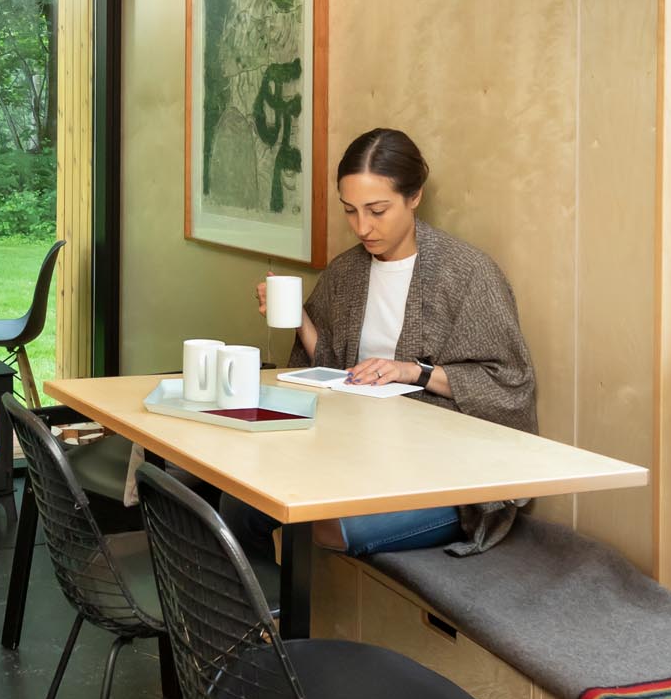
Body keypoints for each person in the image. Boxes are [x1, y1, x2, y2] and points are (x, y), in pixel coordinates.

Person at [224, 125, 538, 563]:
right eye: (350, 211)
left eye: (377, 210)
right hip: (358, 456)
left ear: (414, 197)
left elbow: (510, 387)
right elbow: (334, 373)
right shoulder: (347, 272)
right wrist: (299, 320)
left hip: (448, 478)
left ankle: (269, 627)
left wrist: (416, 371)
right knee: (241, 504)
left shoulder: (467, 274)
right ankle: (261, 628)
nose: (362, 227)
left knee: (326, 524)